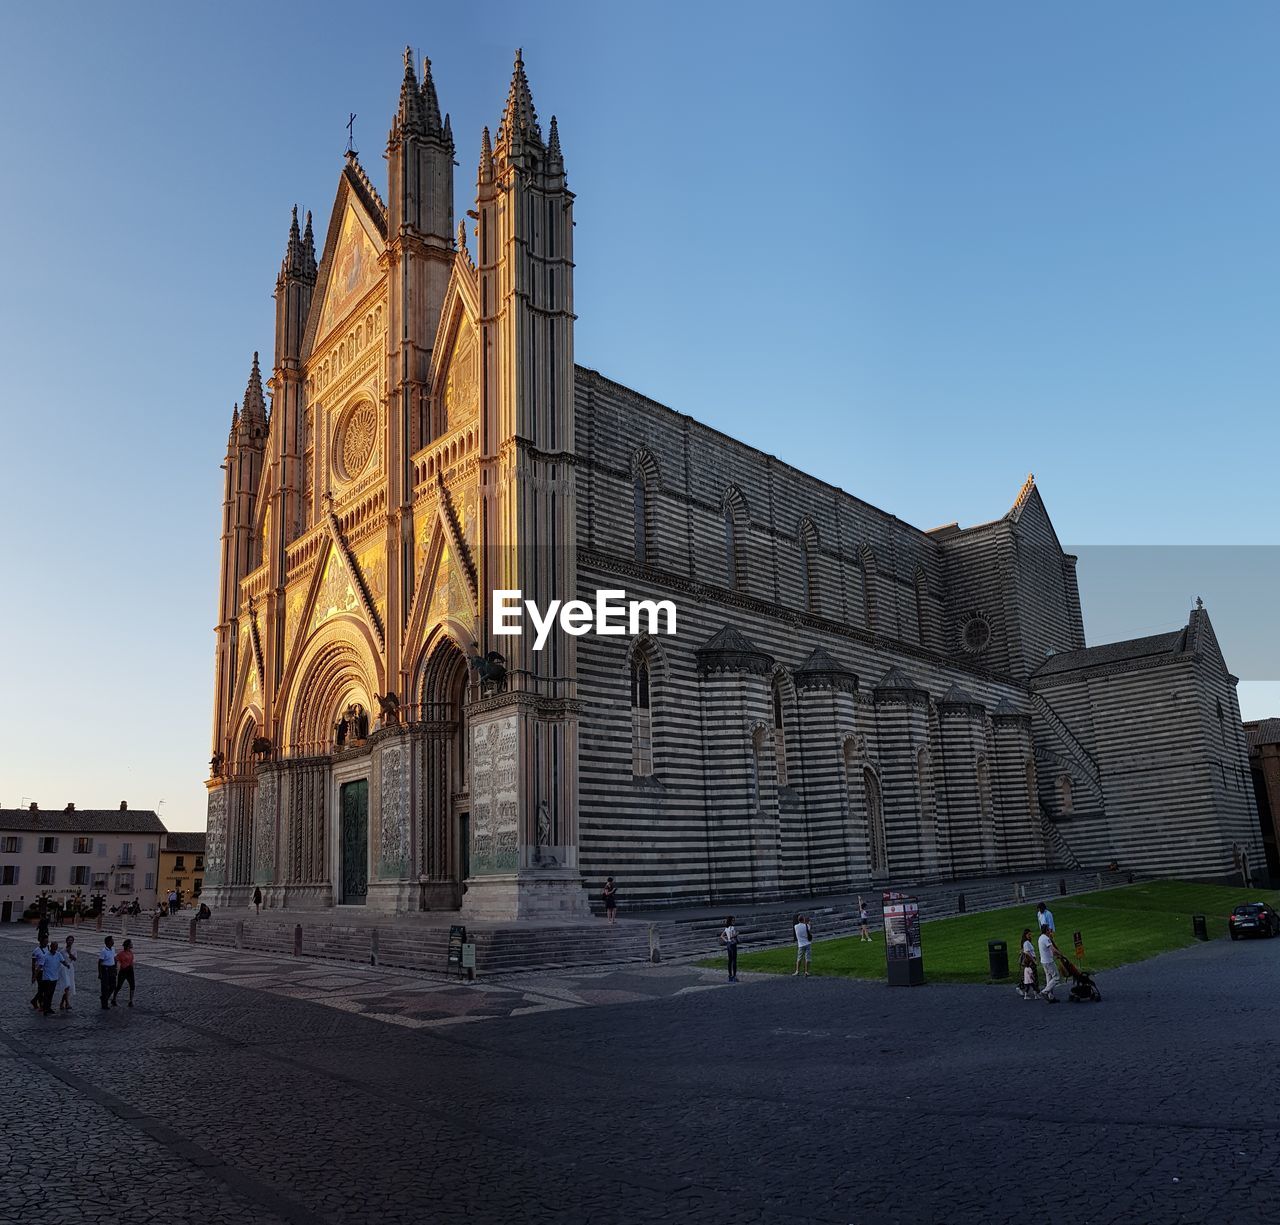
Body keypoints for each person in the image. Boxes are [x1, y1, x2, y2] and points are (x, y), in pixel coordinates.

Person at [1037, 923, 1060, 1003]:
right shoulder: (1046, 939)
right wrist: (1060, 954)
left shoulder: (1040, 938)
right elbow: (1052, 949)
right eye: (1048, 929)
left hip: (1043, 961)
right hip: (1049, 961)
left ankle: (1051, 996)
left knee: (1049, 978)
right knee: (1056, 977)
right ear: (1046, 930)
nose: (1050, 930)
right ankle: (1045, 991)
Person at [38, 941, 61, 1015]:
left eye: (56, 947)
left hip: (54, 977)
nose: (55, 948)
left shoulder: (58, 954)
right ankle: (45, 1008)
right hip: (47, 978)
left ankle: (49, 1007)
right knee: (47, 994)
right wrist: (35, 975)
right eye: (54, 946)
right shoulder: (45, 955)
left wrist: (67, 965)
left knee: (51, 994)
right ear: (51, 947)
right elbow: (40, 966)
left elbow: (63, 961)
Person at [112, 940, 136, 1007]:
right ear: (128, 945)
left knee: (132, 986)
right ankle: (113, 999)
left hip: (130, 970)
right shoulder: (121, 953)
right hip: (124, 970)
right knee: (119, 986)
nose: (132, 945)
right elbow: (115, 959)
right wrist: (115, 968)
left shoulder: (131, 952)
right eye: (131, 944)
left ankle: (131, 1001)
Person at [56, 935, 77, 1011]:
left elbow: (74, 959)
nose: (70, 941)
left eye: (71, 940)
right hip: (64, 968)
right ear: (66, 941)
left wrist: (69, 953)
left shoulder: (74, 950)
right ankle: (67, 1003)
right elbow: (60, 960)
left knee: (69, 985)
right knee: (66, 985)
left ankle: (62, 1002)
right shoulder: (62, 951)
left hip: (70, 968)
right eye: (69, 940)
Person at [1017, 927, 1038, 1000]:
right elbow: (1027, 953)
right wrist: (1033, 960)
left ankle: (1024, 989)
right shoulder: (1026, 943)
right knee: (1032, 978)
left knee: (1028, 979)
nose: (1030, 936)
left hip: (1029, 962)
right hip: (1030, 962)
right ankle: (1036, 992)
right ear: (1025, 935)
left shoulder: (1027, 943)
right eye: (1029, 934)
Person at [98, 936, 118, 1010]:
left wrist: (115, 968)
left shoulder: (113, 949)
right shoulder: (104, 951)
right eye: (112, 941)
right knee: (105, 987)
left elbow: (114, 958)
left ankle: (104, 998)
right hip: (105, 969)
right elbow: (100, 962)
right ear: (108, 942)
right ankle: (104, 1004)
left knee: (113, 986)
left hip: (112, 968)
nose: (113, 942)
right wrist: (100, 973)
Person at [30, 934, 49, 1010]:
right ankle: (39, 1002)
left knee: (45, 988)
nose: (46, 943)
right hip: (39, 972)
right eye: (45, 941)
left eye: (47, 941)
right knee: (41, 988)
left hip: (47, 971)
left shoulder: (48, 948)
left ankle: (36, 1001)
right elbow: (33, 964)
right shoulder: (36, 951)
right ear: (41, 942)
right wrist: (33, 975)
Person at [719, 916, 739, 982]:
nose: (734, 921)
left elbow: (721, 936)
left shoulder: (726, 928)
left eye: (734, 920)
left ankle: (730, 975)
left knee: (730, 960)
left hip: (728, 944)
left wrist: (726, 940)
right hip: (733, 944)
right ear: (730, 921)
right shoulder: (732, 928)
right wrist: (737, 934)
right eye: (733, 920)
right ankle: (734, 976)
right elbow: (731, 936)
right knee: (734, 960)